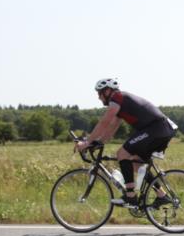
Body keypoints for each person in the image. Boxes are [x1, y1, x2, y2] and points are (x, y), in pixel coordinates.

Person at [76, 78, 178, 206]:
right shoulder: (121, 104)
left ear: (107, 91)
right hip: (160, 130)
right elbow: (112, 128)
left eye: (99, 93)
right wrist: (98, 142)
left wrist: (87, 142)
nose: (99, 98)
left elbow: (104, 121)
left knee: (122, 154)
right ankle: (161, 195)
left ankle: (130, 196)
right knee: (136, 165)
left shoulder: (117, 97)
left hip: (156, 129)